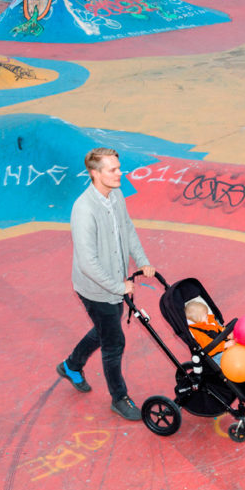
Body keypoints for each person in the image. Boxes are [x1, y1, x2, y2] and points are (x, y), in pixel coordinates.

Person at [57, 147, 156, 421]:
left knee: (105, 331)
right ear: (95, 173)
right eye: (112, 169)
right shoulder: (83, 209)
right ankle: (119, 397)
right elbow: (88, 263)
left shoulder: (116, 196)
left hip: (115, 282)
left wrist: (142, 260)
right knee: (114, 342)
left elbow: (128, 228)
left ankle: (71, 366)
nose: (119, 173)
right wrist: (118, 287)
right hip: (96, 288)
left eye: (118, 167)